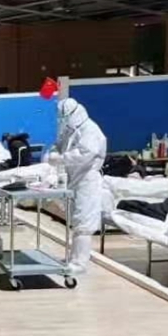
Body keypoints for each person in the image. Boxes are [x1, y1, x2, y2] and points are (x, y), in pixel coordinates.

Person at [50, 98, 107, 274]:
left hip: (87, 180)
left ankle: (80, 263)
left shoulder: (90, 130)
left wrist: (61, 159)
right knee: (76, 220)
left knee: (84, 222)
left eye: (64, 117)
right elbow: (59, 145)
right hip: (74, 179)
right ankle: (73, 257)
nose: (63, 121)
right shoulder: (71, 130)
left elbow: (84, 154)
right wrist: (53, 152)